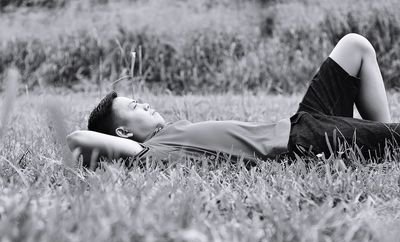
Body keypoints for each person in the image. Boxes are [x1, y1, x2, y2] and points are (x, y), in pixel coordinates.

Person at [67, 33, 397, 169]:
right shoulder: (153, 153)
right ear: (124, 134)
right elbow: (77, 139)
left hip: (302, 121)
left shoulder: (170, 136)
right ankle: (385, 139)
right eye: (135, 107)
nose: (146, 104)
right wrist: (119, 149)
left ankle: (377, 133)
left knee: (355, 46)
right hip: (304, 141)